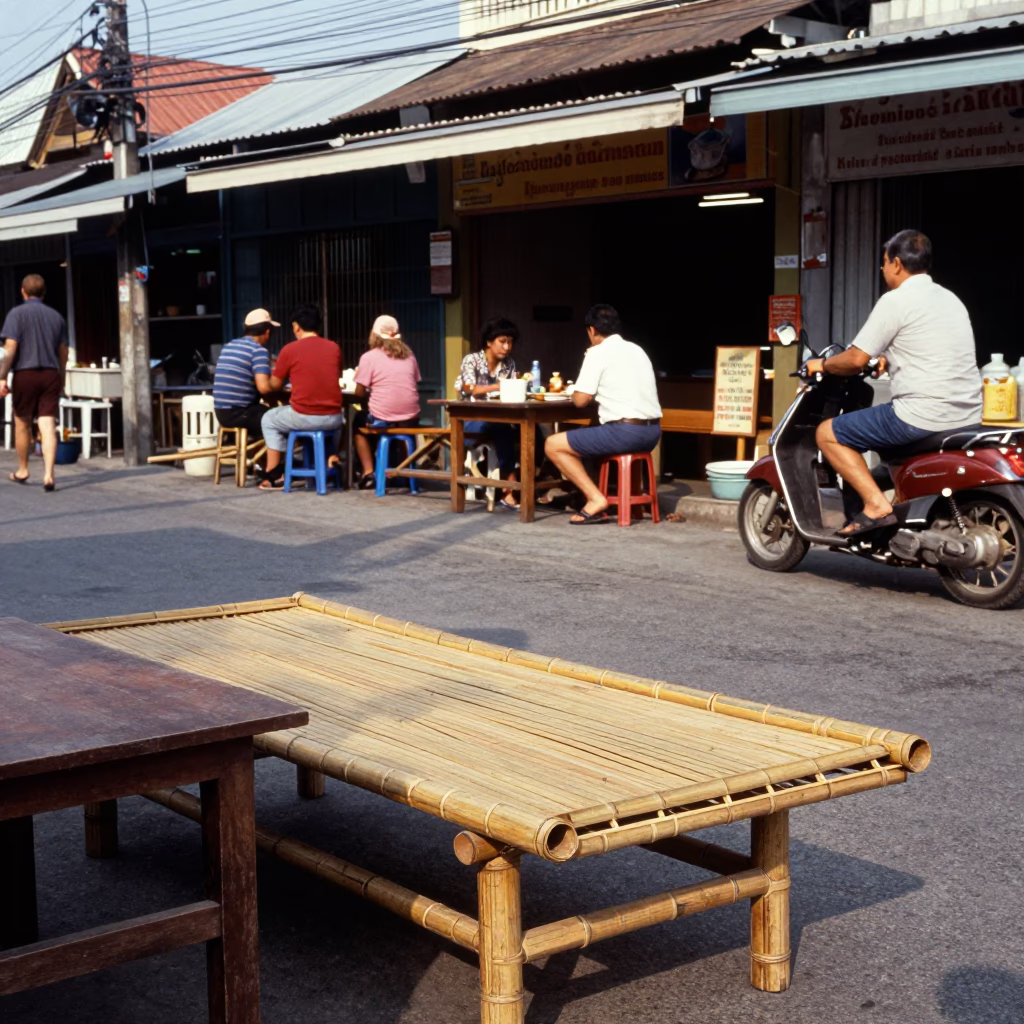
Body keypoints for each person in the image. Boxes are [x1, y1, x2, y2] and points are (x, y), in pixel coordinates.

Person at [806, 229, 983, 536]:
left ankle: (876, 505)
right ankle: (902, 507)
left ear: (897, 264)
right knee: (886, 428)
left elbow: (855, 359)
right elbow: (927, 343)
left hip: (922, 415)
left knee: (827, 434)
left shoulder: (896, 300)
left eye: (884, 262)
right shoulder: (950, 298)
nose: (882, 269)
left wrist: (820, 364)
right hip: (966, 415)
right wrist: (889, 356)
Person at [545, 304, 661, 524]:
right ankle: (615, 500)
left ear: (591, 330)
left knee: (552, 444)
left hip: (625, 432)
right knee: (589, 432)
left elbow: (580, 400)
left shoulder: (597, 352)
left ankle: (595, 498)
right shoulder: (638, 349)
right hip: (652, 433)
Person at [258, 303, 343, 490]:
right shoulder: (334, 348)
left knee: (269, 419)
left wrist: (275, 375)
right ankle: (330, 458)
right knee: (329, 423)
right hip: (335, 418)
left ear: (296, 326)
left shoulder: (289, 350)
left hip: (305, 416)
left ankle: (274, 474)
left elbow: (274, 385)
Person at [0, 274, 68, 492]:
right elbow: (63, 352)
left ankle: (23, 469)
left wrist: (1, 376)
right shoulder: (56, 317)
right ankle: (49, 475)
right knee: (48, 424)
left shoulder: (16, 314)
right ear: (44, 292)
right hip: (50, 374)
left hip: (25, 374)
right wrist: (62, 376)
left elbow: (10, 349)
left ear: (23, 290)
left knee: (22, 423)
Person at [458, 316, 521, 510]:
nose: (507, 347)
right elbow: (468, 388)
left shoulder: (509, 364)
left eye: (510, 342)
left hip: (501, 418)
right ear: (488, 342)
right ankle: (509, 490)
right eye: (502, 342)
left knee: (534, 431)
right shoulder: (472, 360)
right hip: (471, 422)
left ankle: (532, 484)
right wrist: (496, 386)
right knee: (502, 429)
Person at [352, 314, 421, 489]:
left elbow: (359, 393)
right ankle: (407, 472)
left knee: (358, 422)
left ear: (374, 335)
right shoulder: (410, 355)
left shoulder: (369, 357)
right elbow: (411, 383)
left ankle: (368, 473)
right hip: (411, 418)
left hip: (384, 418)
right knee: (389, 421)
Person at [212, 308, 279, 440]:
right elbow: (264, 388)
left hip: (221, 413)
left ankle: (258, 457)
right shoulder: (258, 350)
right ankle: (279, 461)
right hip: (239, 414)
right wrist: (278, 385)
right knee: (281, 421)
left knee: (266, 412)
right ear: (267, 331)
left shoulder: (229, 345)